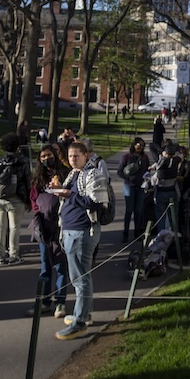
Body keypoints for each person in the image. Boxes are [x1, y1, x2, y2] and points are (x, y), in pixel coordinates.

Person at [54, 141, 109, 339]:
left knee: (80, 279)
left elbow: (97, 203)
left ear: (86, 156)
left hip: (82, 232)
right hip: (70, 231)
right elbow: (69, 197)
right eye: (70, 156)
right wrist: (59, 190)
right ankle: (84, 313)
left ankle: (80, 322)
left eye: (76, 156)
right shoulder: (73, 174)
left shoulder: (93, 174)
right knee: (79, 277)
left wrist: (68, 194)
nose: (73, 159)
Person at [28, 161, 68, 319]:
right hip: (43, 227)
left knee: (61, 266)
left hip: (59, 226)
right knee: (45, 266)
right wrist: (39, 213)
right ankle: (43, 301)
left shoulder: (65, 176)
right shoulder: (38, 180)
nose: (47, 159)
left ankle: (60, 302)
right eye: (43, 156)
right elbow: (33, 199)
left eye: (50, 155)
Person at [0, 132, 30, 265]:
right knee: (14, 228)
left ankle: (0, 255)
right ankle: (14, 255)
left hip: (0, 198)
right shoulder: (22, 162)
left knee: (0, 227)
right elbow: (27, 181)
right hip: (16, 198)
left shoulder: (1, 162)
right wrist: (28, 199)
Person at [117, 138, 150, 242]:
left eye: (142, 145)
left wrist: (147, 178)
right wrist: (128, 178)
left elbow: (147, 170)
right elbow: (119, 171)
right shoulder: (126, 157)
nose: (140, 147)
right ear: (134, 145)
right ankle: (125, 232)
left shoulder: (144, 157)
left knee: (138, 210)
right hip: (129, 186)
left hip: (140, 186)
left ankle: (137, 232)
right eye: (138, 144)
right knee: (129, 210)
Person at [151, 142, 182, 232]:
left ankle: (162, 235)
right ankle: (174, 235)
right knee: (174, 217)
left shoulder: (161, 162)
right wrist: (173, 148)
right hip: (173, 191)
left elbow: (152, 146)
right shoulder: (177, 160)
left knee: (161, 217)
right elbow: (178, 147)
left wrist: (161, 151)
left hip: (161, 192)